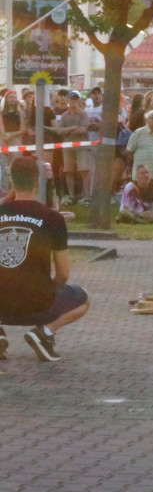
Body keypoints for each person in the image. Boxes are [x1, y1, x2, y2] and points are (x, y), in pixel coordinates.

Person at [0, 155, 89, 362]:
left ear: (11, 181)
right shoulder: (53, 218)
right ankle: (44, 332)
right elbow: (63, 274)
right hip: (38, 303)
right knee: (84, 298)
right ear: (37, 181)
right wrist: (45, 288)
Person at [55, 91, 91, 206]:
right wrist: (72, 128)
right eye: (72, 99)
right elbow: (59, 131)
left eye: (76, 99)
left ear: (79, 101)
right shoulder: (64, 115)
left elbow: (83, 129)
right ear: (68, 100)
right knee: (68, 171)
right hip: (68, 146)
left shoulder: (83, 114)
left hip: (82, 145)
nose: (73, 101)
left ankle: (87, 197)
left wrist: (67, 130)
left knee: (84, 170)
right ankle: (71, 196)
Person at [127, 110, 153, 203]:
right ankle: (141, 209)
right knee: (141, 195)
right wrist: (138, 162)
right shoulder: (139, 132)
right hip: (142, 172)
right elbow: (129, 150)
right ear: (146, 120)